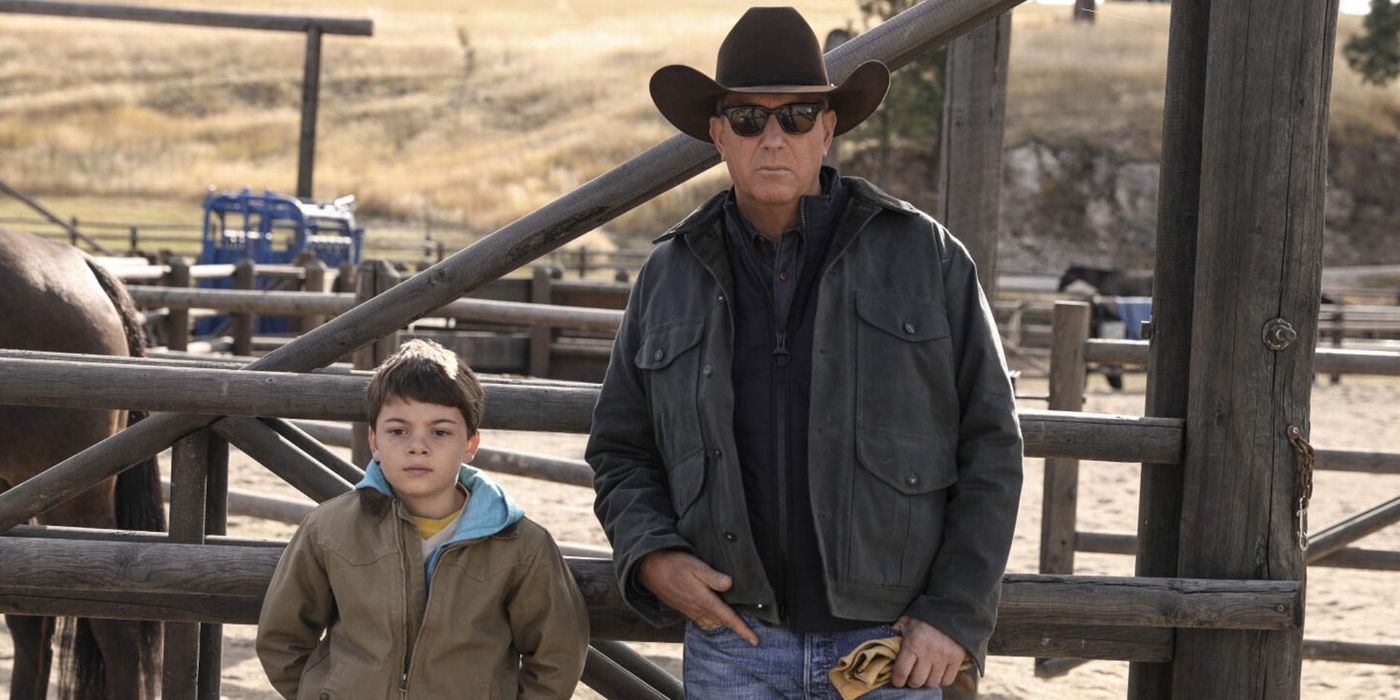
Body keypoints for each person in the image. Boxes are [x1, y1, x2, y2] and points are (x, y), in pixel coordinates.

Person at [587, 7, 1023, 697]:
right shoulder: (670, 273)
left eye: (794, 117)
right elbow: (621, 449)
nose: (772, 138)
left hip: (891, 646)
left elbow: (992, 445)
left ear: (827, 128)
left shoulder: (928, 257)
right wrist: (653, 556)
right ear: (716, 133)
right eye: (747, 118)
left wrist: (955, 613)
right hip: (733, 643)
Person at [257, 339, 589, 699]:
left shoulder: (522, 544)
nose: (418, 446)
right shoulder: (328, 529)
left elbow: (558, 653)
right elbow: (282, 637)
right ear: (374, 441)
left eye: (440, 431)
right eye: (398, 431)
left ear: (470, 444)